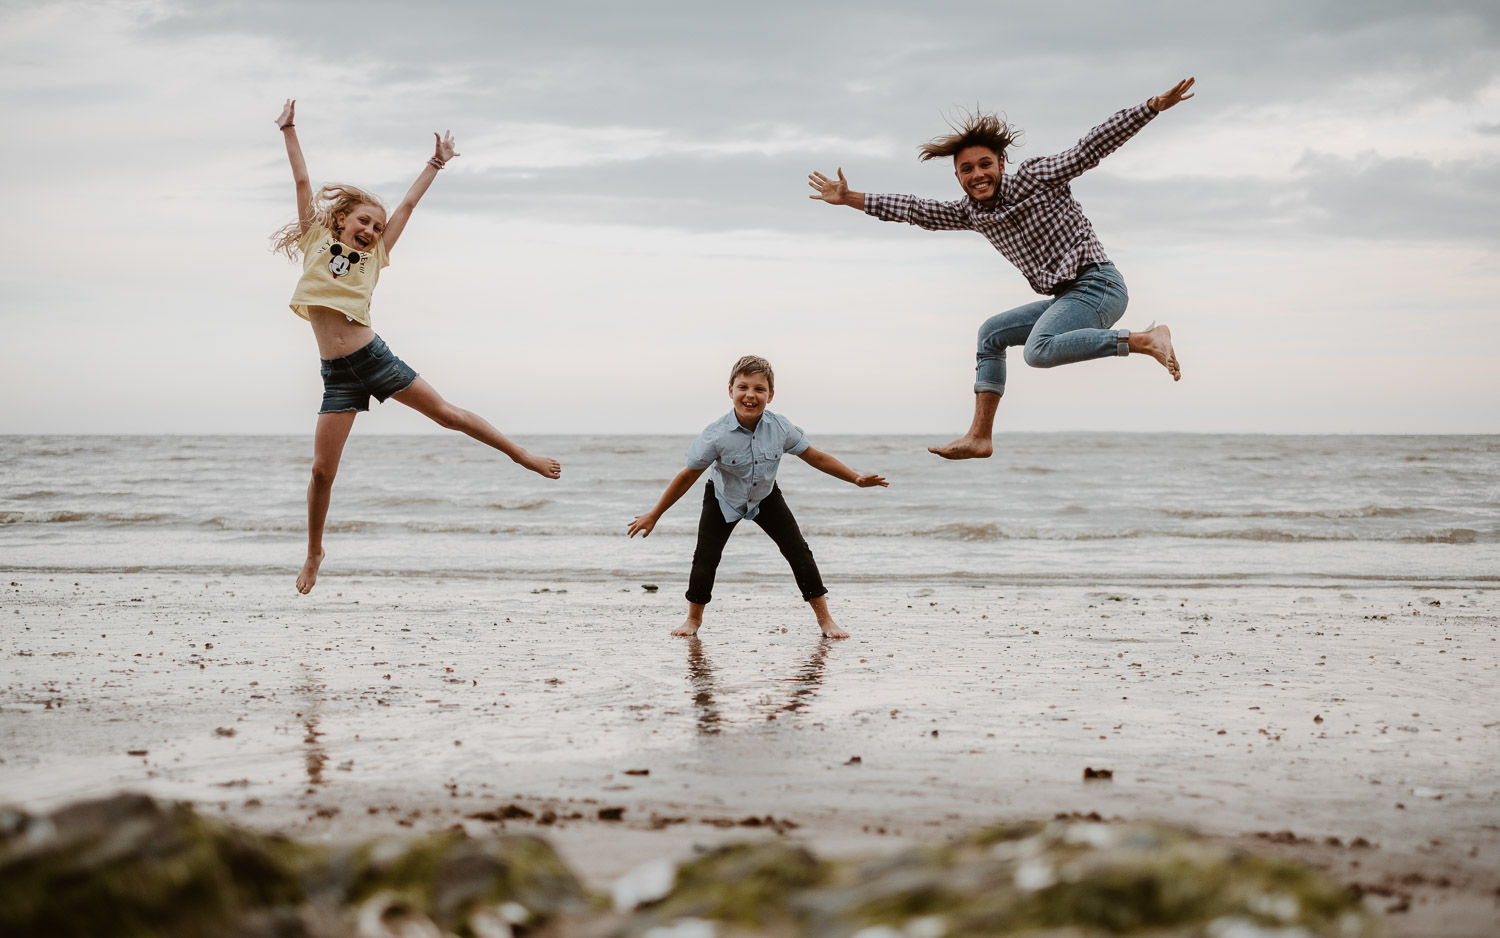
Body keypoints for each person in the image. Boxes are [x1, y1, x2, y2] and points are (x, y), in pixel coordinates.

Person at [807, 78, 1196, 459]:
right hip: (1068, 296)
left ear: (1001, 164)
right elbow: (914, 210)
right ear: (957, 176)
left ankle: (1144, 340)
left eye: (985, 164)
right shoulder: (970, 213)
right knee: (991, 334)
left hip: (1099, 285)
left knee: (1038, 351)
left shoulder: (1035, 179)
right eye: (967, 169)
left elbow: (1088, 149)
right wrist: (850, 198)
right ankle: (979, 437)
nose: (978, 175)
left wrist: (1149, 109)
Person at [270, 99, 561, 595]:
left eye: (376, 228)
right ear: (341, 218)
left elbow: (406, 206)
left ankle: (520, 455)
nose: (370, 231)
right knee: (321, 472)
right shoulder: (315, 238)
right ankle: (315, 550)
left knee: (447, 414)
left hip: (373, 358)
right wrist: (289, 129)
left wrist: (436, 163)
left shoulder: (376, 256)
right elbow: (302, 183)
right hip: (337, 374)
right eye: (363, 221)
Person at [627, 356, 887, 639]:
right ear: (730, 391)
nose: (750, 395)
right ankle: (692, 620)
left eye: (759, 389)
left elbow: (817, 458)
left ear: (770, 395)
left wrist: (856, 478)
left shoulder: (780, 428)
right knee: (705, 558)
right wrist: (655, 514)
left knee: (798, 552)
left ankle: (826, 620)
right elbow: (688, 476)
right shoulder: (716, 435)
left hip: (765, 496)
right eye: (743, 387)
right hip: (722, 497)